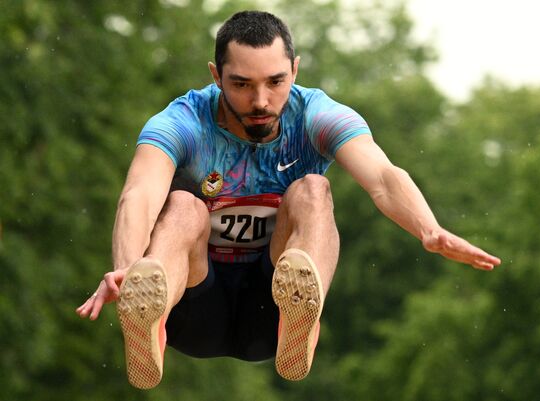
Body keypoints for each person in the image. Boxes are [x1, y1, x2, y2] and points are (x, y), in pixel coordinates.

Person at [76, 10, 501, 389]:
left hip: (272, 316)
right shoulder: (184, 121)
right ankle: (147, 320)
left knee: (314, 190)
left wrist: (428, 229)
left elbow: (384, 177)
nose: (260, 101)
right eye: (241, 85)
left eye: (275, 82)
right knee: (182, 204)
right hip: (191, 307)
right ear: (215, 75)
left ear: (295, 71)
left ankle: (303, 319)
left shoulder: (315, 115)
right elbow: (139, 193)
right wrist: (126, 268)